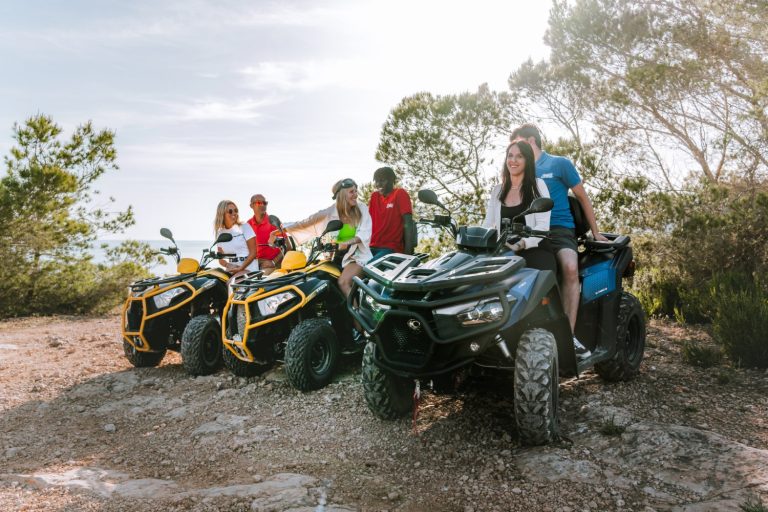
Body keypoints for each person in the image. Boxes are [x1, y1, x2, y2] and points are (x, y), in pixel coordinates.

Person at [511, 123, 608, 360]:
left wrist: (595, 233)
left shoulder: (558, 164)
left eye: (519, 144)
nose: (513, 152)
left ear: (531, 141)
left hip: (559, 229)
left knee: (570, 268)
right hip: (530, 231)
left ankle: (569, 336)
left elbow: (583, 198)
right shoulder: (521, 169)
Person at [271, 178, 372, 298]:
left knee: (343, 282)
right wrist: (281, 231)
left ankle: (357, 316)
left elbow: (363, 234)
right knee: (318, 278)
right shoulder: (330, 212)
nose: (355, 195)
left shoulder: (362, 209)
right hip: (338, 257)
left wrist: (347, 242)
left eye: (356, 191)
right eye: (351, 192)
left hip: (357, 256)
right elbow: (307, 222)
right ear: (342, 195)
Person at [482, 140, 555, 273]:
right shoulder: (497, 190)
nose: (513, 160)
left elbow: (543, 227)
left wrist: (520, 244)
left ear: (527, 160)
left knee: (534, 287)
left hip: (534, 249)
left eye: (519, 156)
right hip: (504, 251)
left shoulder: (538, 186)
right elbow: (488, 223)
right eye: (510, 155)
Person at [369, 166, 415, 259]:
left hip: (391, 248)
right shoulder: (374, 196)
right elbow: (367, 221)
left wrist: (408, 253)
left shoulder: (399, 193)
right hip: (371, 246)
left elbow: (408, 223)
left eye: (382, 180)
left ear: (391, 180)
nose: (378, 184)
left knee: (367, 269)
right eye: (376, 181)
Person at [213, 200, 258, 281]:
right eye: (230, 211)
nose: (234, 213)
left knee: (231, 283)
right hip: (232, 268)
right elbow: (221, 258)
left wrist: (241, 267)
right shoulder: (220, 233)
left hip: (249, 268)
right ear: (222, 214)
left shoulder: (244, 226)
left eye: (236, 210)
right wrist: (228, 265)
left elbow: (253, 253)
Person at [247, 194, 283, 275]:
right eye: (259, 203)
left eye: (265, 203)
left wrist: (273, 262)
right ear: (251, 205)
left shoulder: (273, 221)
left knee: (259, 281)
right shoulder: (248, 225)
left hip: (273, 264)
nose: (262, 205)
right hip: (255, 264)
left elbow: (288, 246)